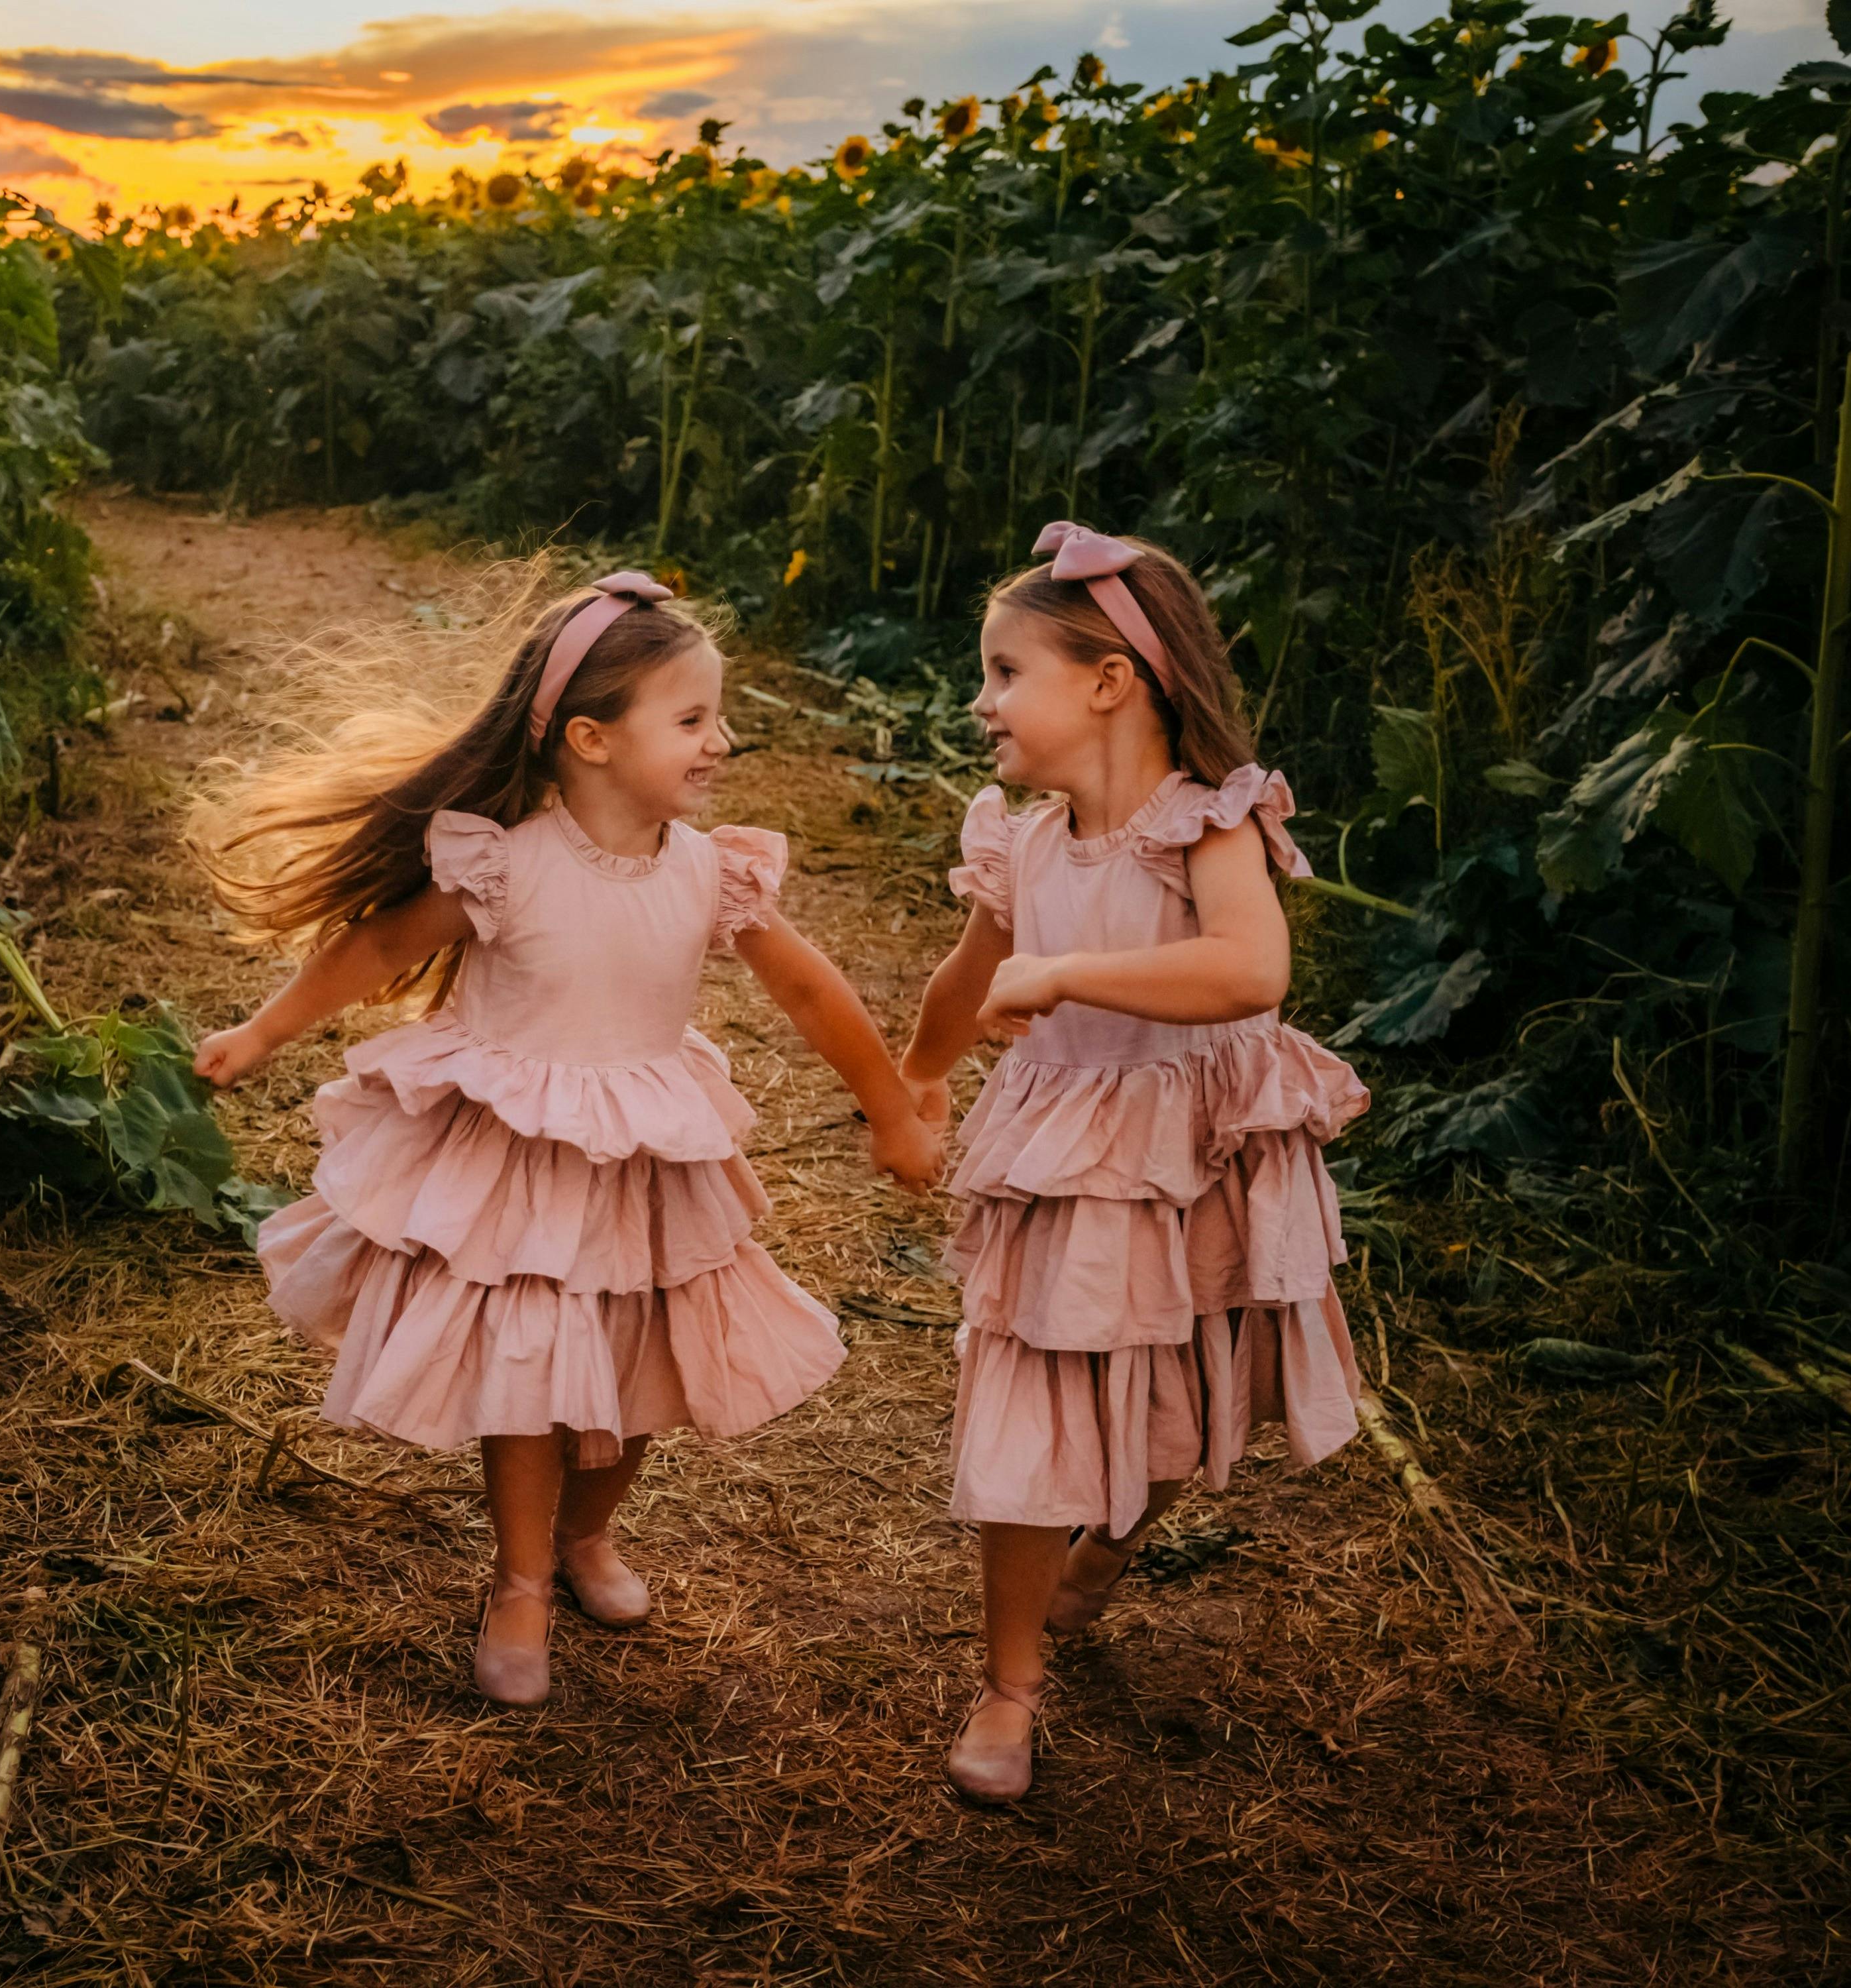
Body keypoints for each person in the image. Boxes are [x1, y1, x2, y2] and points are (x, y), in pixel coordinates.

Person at [192, 569, 941, 1707]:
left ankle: (591, 1537)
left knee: (640, 1361)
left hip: (648, 1151)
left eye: (718, 718)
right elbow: (377, 950)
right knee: (535, 1366)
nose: (721, 742)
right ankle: (522, 1578)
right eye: (691, 720)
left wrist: (890, 1103)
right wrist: (262, 1030)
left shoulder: (706, 871)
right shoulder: (508, 862)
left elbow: (805, 988)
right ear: (591, 739)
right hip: (524, 1155)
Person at [896, 522, 1369, 1803]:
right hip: (1071, 1154)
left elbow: (1249, 972)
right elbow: (971, 974)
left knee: (1181, 1395)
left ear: (1110, 680)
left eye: (1005, 673)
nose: (981, 700)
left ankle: (1111, 1543)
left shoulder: (1208, 825)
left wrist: (1068, 973)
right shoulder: (1025, 840)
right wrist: (924, 1075)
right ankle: (1009, 1688)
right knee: (1034, 1403)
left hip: (1199, 1146)